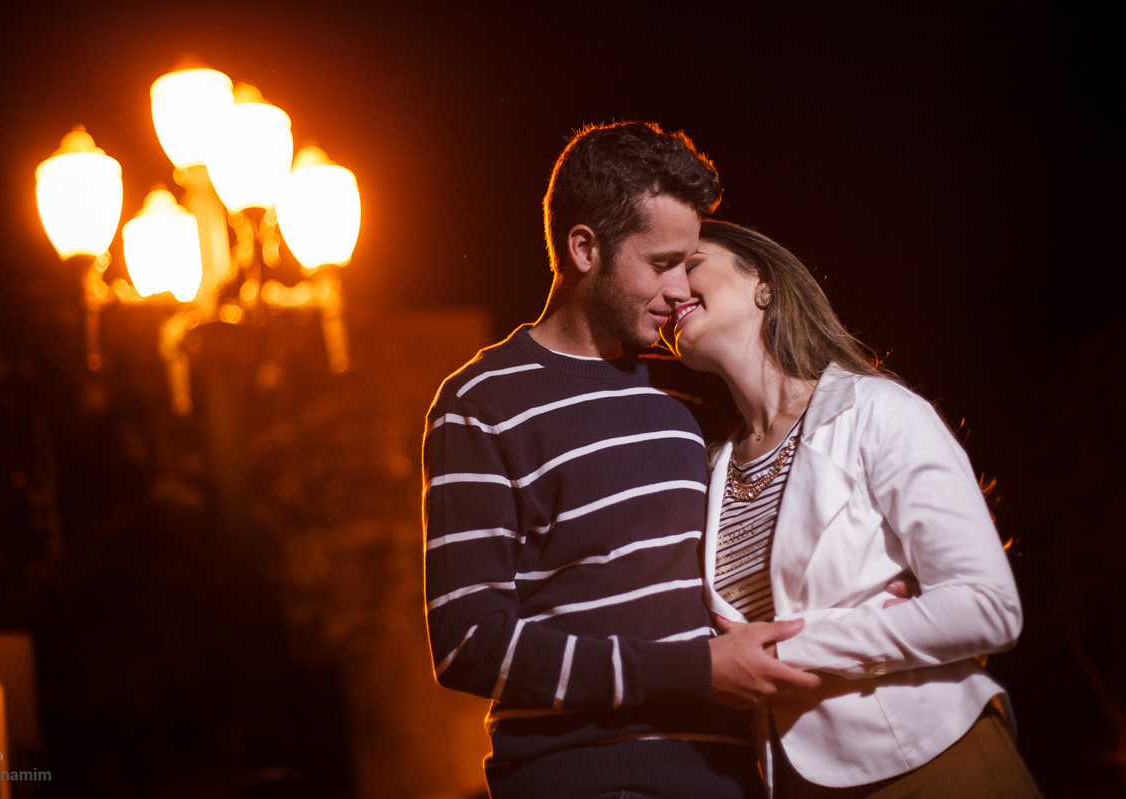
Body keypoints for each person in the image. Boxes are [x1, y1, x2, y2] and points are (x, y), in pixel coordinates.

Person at [422, 123, 822, 798]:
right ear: (584, 248)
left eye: (688, 265)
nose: (679, 291)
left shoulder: (693, 391)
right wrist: (687, 671)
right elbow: (467, 641)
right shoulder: (479, 402)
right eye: (661, 263)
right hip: (583, 775)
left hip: (734, 777)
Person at [662, 219, 1042, 797]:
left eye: (689, 265)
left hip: (930, 761)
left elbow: (989, 606)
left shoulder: (879, 410)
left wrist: (791, 648)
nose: (671, 290)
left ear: (762, 279)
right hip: (797, 783)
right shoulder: (712, 469)